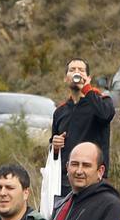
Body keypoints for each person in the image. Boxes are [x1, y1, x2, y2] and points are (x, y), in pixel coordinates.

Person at [48, 58, 115, 193]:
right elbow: (53, 149)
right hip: (65, 182)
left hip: (93, 179)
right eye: (72, 70)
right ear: (66, 79)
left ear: (88, 78)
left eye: (81, 70)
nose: (76, 73)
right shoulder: (60, 111)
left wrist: (86, 89)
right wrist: (54, 147)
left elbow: (106, 115)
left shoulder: (101, 101)